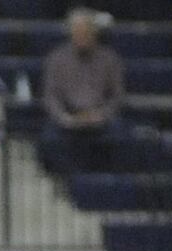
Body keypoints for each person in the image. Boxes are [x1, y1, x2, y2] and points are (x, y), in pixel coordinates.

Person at [39, 7, 127, 177]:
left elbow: (117, 96)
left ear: (94, 33)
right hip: (68, 117)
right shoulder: (56, 59)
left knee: (121, 135)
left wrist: (101, 115)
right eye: (78, 32)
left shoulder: (110, 59)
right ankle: (67, 184)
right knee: (50, 138)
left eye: (86, 32)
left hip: (100, 118)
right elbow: (50, 97)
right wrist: (65, 117)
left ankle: (110, 183)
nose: (82, 37)